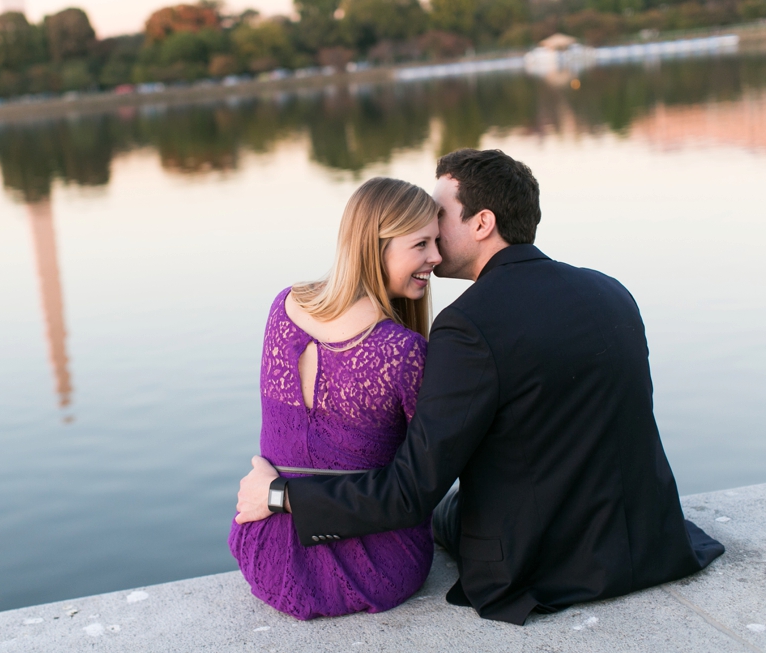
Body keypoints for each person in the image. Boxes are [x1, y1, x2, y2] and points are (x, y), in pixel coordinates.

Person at [236, 149, 724, 625]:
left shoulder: (467, 325)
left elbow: (411, 491)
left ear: (483, 223)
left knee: (450, 510)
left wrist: (280, 496)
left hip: (543, 564)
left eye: (441, 218)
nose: (433, 236)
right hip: (649, 539)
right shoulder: (611, 290)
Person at [228, 177, 443, 619]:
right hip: (379, 565)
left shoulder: (283, 306)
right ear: (376, 246)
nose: (436, 258)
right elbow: (419, 483)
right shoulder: (402, 352)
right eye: (421, 244)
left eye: (437, 242)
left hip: (268, 552)